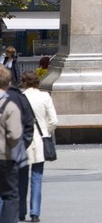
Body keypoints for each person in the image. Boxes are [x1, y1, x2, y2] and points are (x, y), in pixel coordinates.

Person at [21, 72, 57, 223]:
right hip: (40, 140)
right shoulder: (45, 97)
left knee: (21, 178)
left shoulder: (20, 97)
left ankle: (21, 211)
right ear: (38, 82)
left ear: (23, 82)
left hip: (22, 141)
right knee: (37, 177)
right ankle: (35, 212)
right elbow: (54, 120)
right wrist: (46, 131)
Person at [0, 67, 22, 223]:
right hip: (4, 156)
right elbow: (14, 135)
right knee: (10, 196)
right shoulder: (10, 106)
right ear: (8, 83)